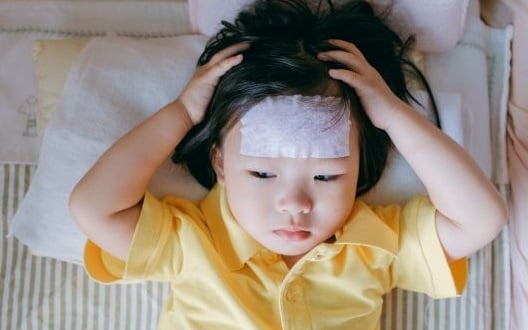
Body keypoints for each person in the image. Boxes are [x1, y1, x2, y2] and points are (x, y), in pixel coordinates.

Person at [69, 0, 508, 329]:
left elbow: (481, 218)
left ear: (360, 165)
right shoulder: (190, 242)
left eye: (326, 175)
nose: (295, 202)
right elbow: (94, 208)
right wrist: (182, 113)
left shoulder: (379, 248)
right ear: (220, 162)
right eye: (262, 173)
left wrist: (393, 115)